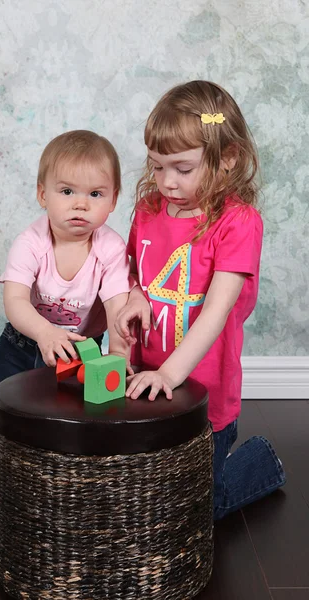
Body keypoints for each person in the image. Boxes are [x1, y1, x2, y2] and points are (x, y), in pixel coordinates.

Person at [115, 80, 286, 520]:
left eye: (183, 168)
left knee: (194, 510)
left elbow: (216, 310)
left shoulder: (237, 223)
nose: (167, 181)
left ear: (227, 158)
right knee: (135, 492)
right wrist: (134, 294)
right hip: (146, 382)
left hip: (204, 392)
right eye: (157, 166)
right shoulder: (148, 210)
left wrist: (170, 374)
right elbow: (136, 271)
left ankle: (261, 461)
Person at [0, 130, 133, 509]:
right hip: (24, 340)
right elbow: (14, 300)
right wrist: (44, 331)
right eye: (67, 192)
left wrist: (121, 360)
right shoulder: (31, 242)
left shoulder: (109, 247)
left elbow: (117, 310)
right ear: (43, 195)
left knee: (70, 417)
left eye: (95, 194)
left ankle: (59, 487)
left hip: (81, 350)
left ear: (112, 200)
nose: (80, 204)